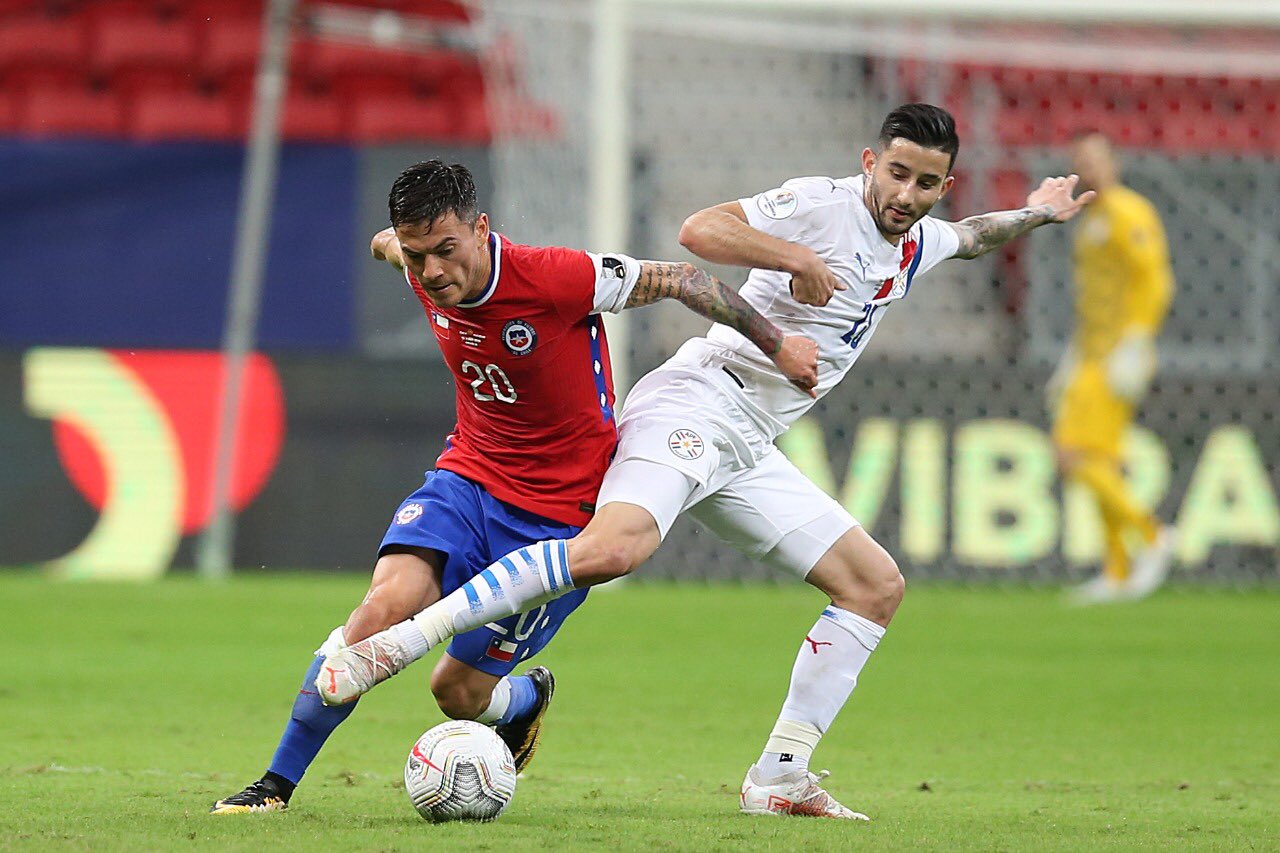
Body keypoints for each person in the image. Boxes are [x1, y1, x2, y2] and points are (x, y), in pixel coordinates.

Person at [316, 105, 1094, 820]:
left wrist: (1040, 213)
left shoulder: (918, 239)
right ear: (869, 162)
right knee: (613, 551)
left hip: (748, 445)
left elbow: (974, 235)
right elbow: (699, 232)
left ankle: (781, 774)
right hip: (697, 401)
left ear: (941, 185)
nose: (907, 193)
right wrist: (789, 264)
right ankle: (403, 640)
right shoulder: (822, 205)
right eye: (896, 173)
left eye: (926, 182)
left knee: (874, 584)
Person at [210, 159, 818, 814]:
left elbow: (683, 278)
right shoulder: (414, 263)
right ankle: (274, 785)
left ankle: (526, 698)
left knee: (457, 692)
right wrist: (394, 248)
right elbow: (385, 245)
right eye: (418, 257)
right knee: (378, 612)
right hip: (467, 479)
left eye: (446, 250)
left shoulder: (555, 277)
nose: (434, 271)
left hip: (556, 522)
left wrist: (779, 346)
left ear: (481, 228)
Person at [1049, 131, 1176, 605]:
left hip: (1118, 352)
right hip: (1093, 350)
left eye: (1097, 159)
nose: (1090, 168)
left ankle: (1153, 533)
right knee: (1097, 458)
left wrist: (1137, 339)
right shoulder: (1090, 219)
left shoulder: (1128, 212)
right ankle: (1117, 569)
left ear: (1115, 163)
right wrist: (1076, 353)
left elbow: (1156, 279)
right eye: (1081, 161)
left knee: (1071, 453)